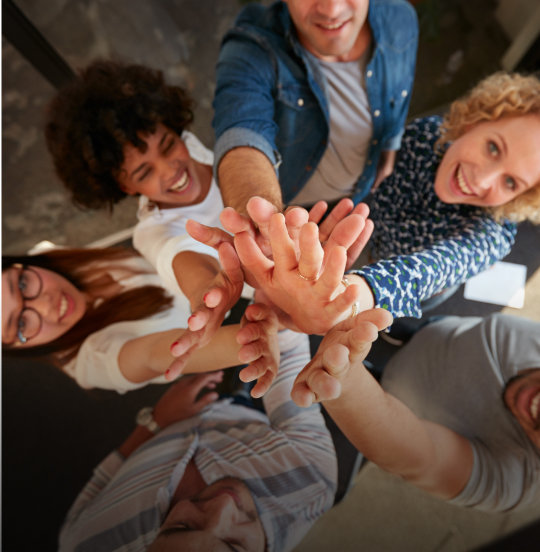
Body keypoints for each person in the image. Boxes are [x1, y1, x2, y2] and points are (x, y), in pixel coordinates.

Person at [189, 72, 540, 335]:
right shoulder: (428, 135)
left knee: (396, 319)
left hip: (395, 275)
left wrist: (343, 299)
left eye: (511, 182)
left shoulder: (490, 238)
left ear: (522, 196)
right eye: (493, 147)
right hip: (366, 233)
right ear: (475, 122)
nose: (481, 181)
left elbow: (420, 274)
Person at [58, 310, 337, 551]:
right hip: (251, 414)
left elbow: (102, 480)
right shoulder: (311, 478)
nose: (224, 505)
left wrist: (155, 422)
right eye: (235, 545)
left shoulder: (82, 544)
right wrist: (276, 314)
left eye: (181, 527)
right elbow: (286, 347)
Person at [292, 310, 540, 511]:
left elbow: (423, 456)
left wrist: (347, 381)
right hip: (432, 333)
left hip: (379, 402)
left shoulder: (517, 480)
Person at [212, 0, 418, 220]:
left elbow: (400, 91)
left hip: (362, 193)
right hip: (294, 212)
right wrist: (266, 223)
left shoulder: (400, 18)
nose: (332, 11)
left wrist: (389, 151)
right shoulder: (253, 46)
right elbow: (242, 135)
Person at [1, 246, 279, 396]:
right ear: (18, 349)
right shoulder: (93, 360)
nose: (46, 306)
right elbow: (151, 355)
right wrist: (258, 335)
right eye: (21, 325)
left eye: (23, 284)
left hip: (220, 274)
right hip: (240, 313)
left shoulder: (55, 258)